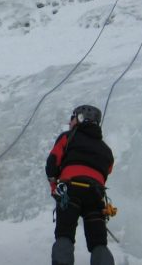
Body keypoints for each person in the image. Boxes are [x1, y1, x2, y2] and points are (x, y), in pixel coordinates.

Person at [45, 105, 115, 265]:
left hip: (70, 188)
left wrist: (54, 185)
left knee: (65, 234)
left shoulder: (68, 137)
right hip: (95, 194)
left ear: (81, 119)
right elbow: (107, 171)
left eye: (72, 118)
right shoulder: (106, 150)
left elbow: (52, 163)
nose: (70, 122)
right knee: (98, 242)